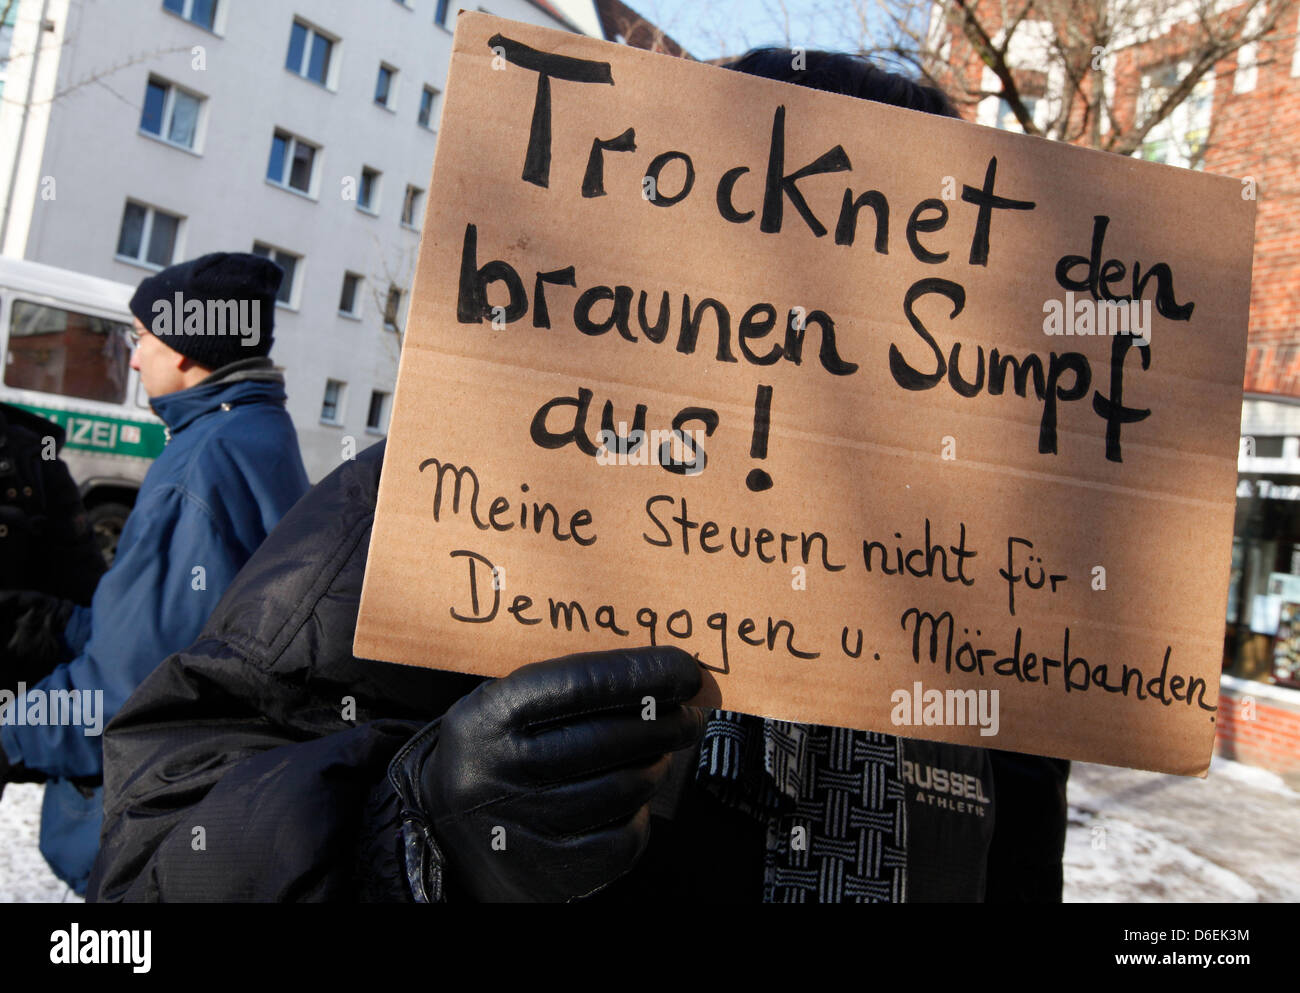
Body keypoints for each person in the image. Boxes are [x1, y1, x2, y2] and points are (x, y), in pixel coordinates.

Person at [88, 58, 1068, 903]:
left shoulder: (979, 589)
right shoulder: (463, 491)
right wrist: (411, 834)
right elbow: (154, 855)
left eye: (918, 269)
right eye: (796, 252)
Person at [0, 252, 310, 894]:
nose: (134, 359)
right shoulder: (258, 431)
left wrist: (9, 733)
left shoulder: (199, 468)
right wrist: (54, 623)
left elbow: (130, 692)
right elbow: (189, 635)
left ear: (190, 346)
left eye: (142, 338)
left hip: (148, 829)